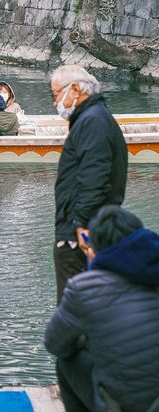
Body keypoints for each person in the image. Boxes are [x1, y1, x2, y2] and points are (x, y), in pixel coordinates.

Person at [44, 205, 159, 412]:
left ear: (95, 246)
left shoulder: (85, 287)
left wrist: (87, 340)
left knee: (67, 361)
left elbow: (54, 344)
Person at [50, 64, 127, 303]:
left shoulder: (92, 121)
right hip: (87, 227)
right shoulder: (95, 117)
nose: (55, 103)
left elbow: (94, 178)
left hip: (78, 235)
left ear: (74, 90)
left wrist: (81, 225)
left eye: (55, 95)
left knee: (74, 309)